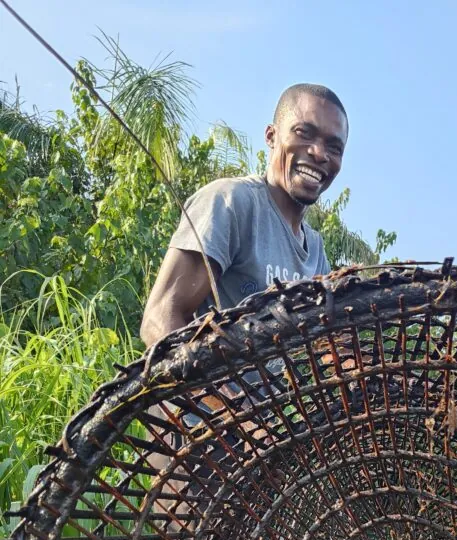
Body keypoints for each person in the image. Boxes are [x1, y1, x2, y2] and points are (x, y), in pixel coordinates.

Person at [140, 82, 348, 346]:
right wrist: (213, 389)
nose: (319, 153)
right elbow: (160, 318)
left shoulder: (316, 252)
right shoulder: (230, 202)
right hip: (213, 385)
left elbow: (328, 344)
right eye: (303, 133)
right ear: (271, 136)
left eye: (334, 147)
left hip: (276, 389)